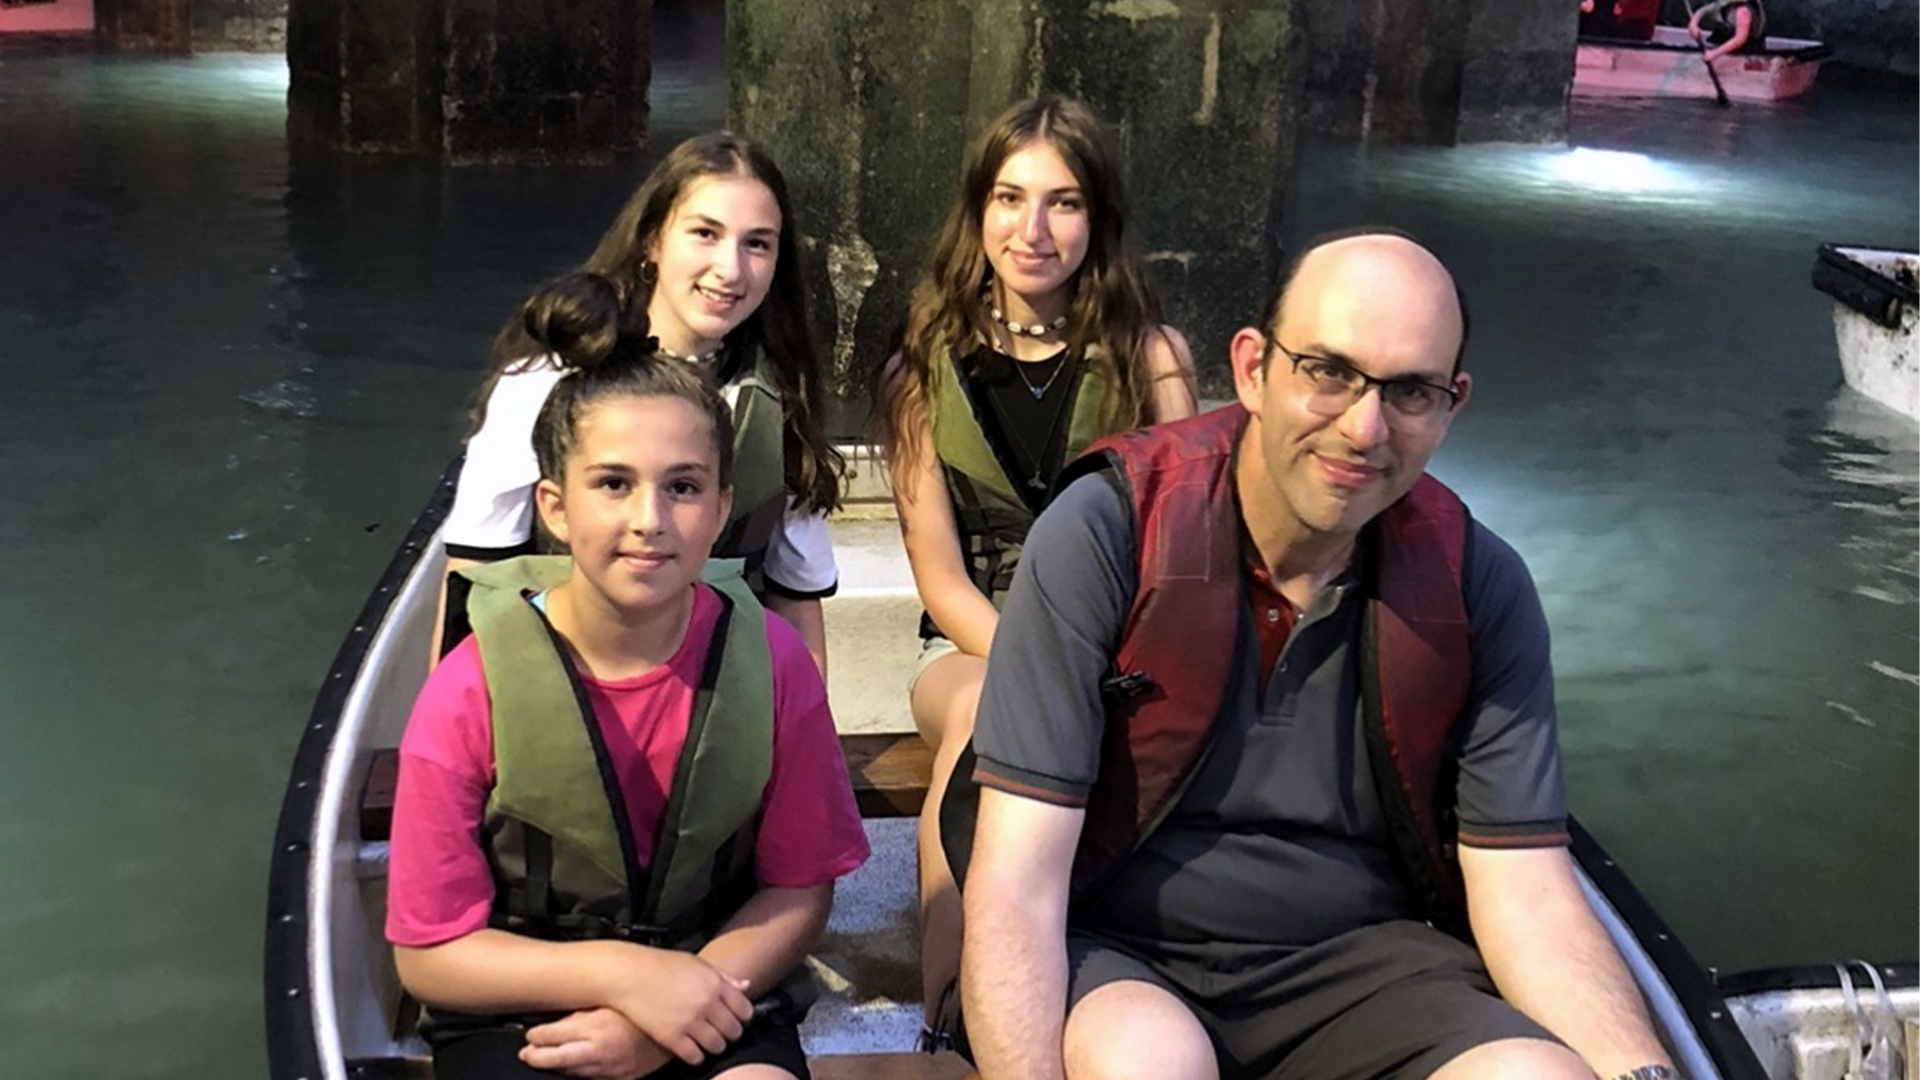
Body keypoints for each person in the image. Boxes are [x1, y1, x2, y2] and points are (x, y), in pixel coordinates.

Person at [952, 229, 1681, 1080]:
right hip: (1124, 950)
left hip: (1367, 970)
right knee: (1147, 1062)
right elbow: (1019, 886)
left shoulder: (1478, 585)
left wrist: (1643, 1074)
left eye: (1409, 391)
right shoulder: (1110, 531)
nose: (1364, 428)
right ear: (1254, 369)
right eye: (1329, 372)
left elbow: (1526, 891)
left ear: (1452, 407)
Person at [386, 311, 869, 1080]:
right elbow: (431, 950)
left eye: (682, 487)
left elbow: (798, 892)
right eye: (613, 484)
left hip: (719, 980)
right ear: (554, 506)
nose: (649, 520)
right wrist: (628, 981)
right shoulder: (469, 689)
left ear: (719, 510)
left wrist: (675, 1014)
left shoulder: (772, 665)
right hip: (526, 1004)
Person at [871, 93, 1198, 1029]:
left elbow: (1187, 554)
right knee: (985, 713)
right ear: (979, 211)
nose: (1034, 228)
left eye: (1063, 202)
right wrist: (1043, 668)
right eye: (1010, 198)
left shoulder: (1153, 361)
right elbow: (938, 578)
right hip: (973, 649)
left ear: (1098, 220)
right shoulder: (916, 370)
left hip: (1123, 651)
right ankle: (951, 1007)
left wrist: (1102, 669)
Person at [443, 133, 843, 674]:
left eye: (758, 244)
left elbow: (794, 601)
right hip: (565, 685)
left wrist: (810, 737)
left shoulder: (779, 402)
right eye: (705, 233)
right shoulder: (545, 382)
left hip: (715, 694)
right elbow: (473, 579)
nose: (730, 269)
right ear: (654, 240)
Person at [1689, 0, 1768, 63]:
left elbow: (1740, 39)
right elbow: (1703, 10)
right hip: (1725, 44)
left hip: (1747, 54)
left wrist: (1714, 54)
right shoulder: (1726, 3)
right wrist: (1693, 24)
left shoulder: (1743, 11)